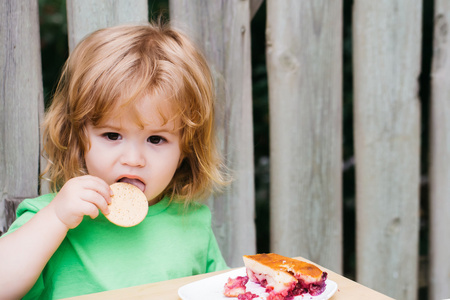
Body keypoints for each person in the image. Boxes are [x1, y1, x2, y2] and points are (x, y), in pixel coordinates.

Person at [0, 21, 230, 299]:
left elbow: (223, 292)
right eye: (112, 135)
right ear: (76, 137)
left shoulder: (192, 222)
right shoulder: (51, 217)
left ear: (186, 149)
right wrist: (57, 218)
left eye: (156, 139)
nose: (133, 159)